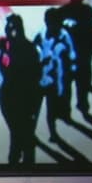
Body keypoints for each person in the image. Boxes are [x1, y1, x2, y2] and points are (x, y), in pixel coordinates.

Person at [0, 14, 43, 165]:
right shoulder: (2, 44)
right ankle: (16, 158)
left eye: (12, 27)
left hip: (26, 97)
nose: (9, 30)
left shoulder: (29, 48)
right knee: (17, 131)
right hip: (7, 96)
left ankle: (19, 162)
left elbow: (35, 76)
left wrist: (33, 106)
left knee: (23, 133)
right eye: (7, 27)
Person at [36, 8, 76, 144]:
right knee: (35, 107)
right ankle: (31, 132)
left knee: (51, 107)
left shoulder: (64, 36)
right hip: (41, 76)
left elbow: (72, 53)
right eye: (49, 22)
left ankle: (53, 132)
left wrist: (72, 68)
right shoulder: (40, 35)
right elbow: (33, 53)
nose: (52, 25)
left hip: (56, 77)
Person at [55, 0, 92, 115]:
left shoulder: (86, 11)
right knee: (68, 84)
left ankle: (80, 104)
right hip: (71, 56)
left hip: (82, 56)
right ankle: (69, 107)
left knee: (80, 83)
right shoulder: (63, 12)